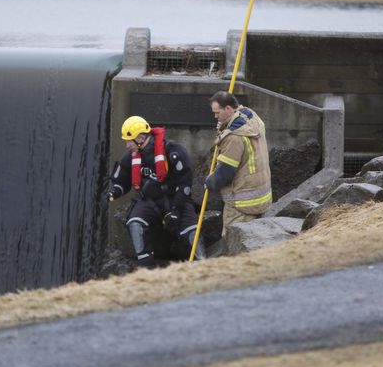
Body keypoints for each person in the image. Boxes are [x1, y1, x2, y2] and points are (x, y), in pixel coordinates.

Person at [109, 115, 205, 267]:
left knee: (193, 233)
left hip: (175, 199)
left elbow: (184, 183)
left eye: (129, 140)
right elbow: (121, 181)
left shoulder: (173, 151)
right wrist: (113, 192)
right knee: (135, 224)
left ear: (141, 138)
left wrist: (176, 212)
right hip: (149, 201)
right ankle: (148, 270)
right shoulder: (130, 157)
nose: (127, 145)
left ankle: (204, 268)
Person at [205, 91, 272, 234]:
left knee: (233, 243)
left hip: (241, 204)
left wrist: (209, 182)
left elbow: (225, 173)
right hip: (261, 197)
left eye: (217, 113)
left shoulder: (234, 137)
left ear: (228, 109)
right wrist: (224, 127)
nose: (215, 116)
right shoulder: (252, 117)